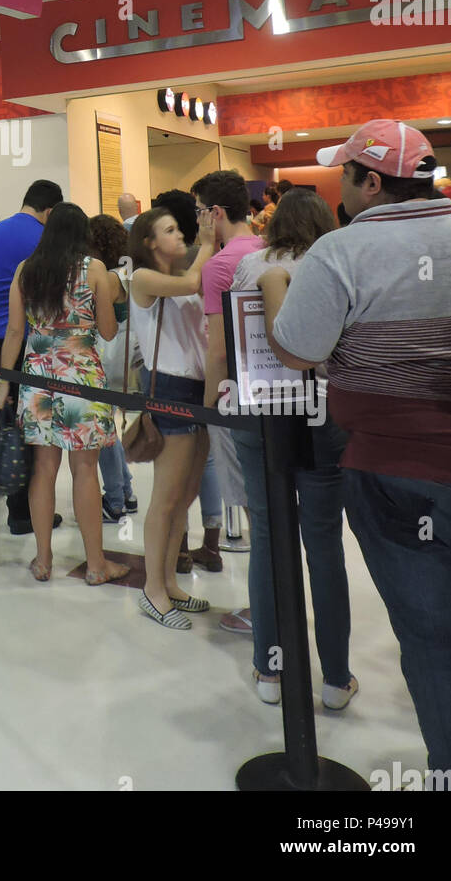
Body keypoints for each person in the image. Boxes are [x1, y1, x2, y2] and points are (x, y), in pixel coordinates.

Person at [265, 120, 451, 771]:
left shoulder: (341, 252)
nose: (341, 189)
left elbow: (297, 349)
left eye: (346, 175)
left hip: (392, 471)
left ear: (372, 182)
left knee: (433, 641)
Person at [230, 189, 355, 706]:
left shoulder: (250, 265)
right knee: (324, 545)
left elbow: (231, 339)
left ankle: (269, 670)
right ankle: (335, 679)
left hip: (259, 413)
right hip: (323, 412)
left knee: (266, 536)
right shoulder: (336, 263)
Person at [0, 202, 126, 585]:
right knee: (84, 470)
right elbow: (108, 331)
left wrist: (3, 382)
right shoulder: (94, 269)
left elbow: (14, 332)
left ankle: (42, 560)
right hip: (81, 377)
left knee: (43, 470)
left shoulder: (26, 270)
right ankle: (96, 565)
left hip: (37, 377)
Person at [129, 207, 217, 628]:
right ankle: (152, 589)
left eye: (179, 228)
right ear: (149, 242)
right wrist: (209, 243)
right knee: (166, 498)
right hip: (168, 389)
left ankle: (168, 581)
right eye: (170, 230)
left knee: (185, 495)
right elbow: (193, 282)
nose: (180, 235)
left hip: (198, 389)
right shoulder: (143, 278)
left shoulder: (184, 275)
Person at [0, 179, 65, 536]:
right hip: (27, 336)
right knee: (35, 426)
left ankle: (17, 504)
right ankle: (27, 513)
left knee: (9, 420)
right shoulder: (45, 238)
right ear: (50, 211)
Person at [191, 170, 265, 577]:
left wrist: (208, 407)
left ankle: (266, 604)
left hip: (235, 396)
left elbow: (217, 349)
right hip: (277, 390)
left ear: (215, 212)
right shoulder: (268, 249)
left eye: (200, 211)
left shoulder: (218, 265)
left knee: (254, 507)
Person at [86, 213, 137, 523]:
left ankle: (115, 500)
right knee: (108, 429)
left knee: (102, 433)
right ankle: (126, 490)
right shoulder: (128, 272)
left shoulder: (106, 277)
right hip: (126, 358)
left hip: (105, 357)